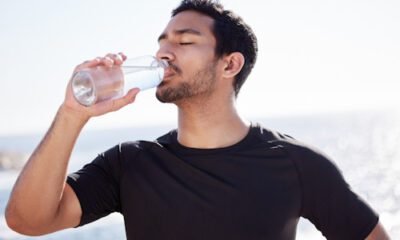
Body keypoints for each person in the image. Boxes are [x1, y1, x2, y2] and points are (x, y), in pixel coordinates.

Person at [5, 0, 390, 239]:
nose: (163, 54)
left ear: (229, 64)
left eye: (184, 41)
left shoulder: (297, 165)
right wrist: (72, 114)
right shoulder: (129, 164)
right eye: (162, 42)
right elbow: (27, 221)